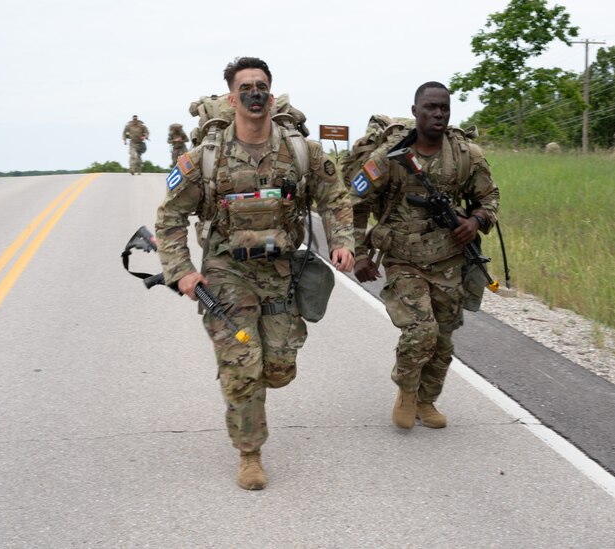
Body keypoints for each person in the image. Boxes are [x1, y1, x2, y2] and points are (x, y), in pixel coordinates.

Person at [155, 57, 355, 490]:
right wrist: (181, 271)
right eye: (245, 87)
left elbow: (335, 196)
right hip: (227, 271)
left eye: (261, 85)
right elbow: (170, 217)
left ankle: (256, 387)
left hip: (280, 270)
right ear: (232, 98)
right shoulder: (205, 159)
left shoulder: (300, 151)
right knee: (243, 362)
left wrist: (342, 241)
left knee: (278, 367)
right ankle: (250, 454)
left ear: (271, 92)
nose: (254, 93)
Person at [349, 81, 499, 430]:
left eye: (444, 108)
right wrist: (360, 254)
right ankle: (406, 390)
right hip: (403, 259)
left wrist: (475, 221)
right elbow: (356, 205)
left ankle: (425, 400)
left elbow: (490, 198)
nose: (438, 114)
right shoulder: (388, 158)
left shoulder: (465, 155)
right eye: (430, 108)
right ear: (415, 111)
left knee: (444, 339)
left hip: (449, 259)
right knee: (421, 330)